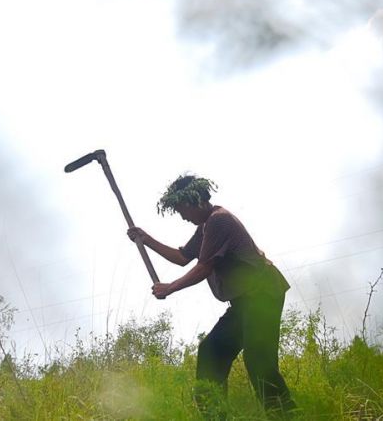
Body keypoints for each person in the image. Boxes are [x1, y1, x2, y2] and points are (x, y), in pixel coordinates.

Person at [127, 174, 297, 420]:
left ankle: (286, 416)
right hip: (244, 301)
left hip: (262, 295)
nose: (182, 216)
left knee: (259, 363)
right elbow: (183, 257)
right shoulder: (205, 226)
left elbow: (203, 267)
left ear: (195, 200)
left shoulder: (219, 221)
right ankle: (216, 416)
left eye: (181, 210)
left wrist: (170, 288)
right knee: (211, 352)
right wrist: (146, 240)